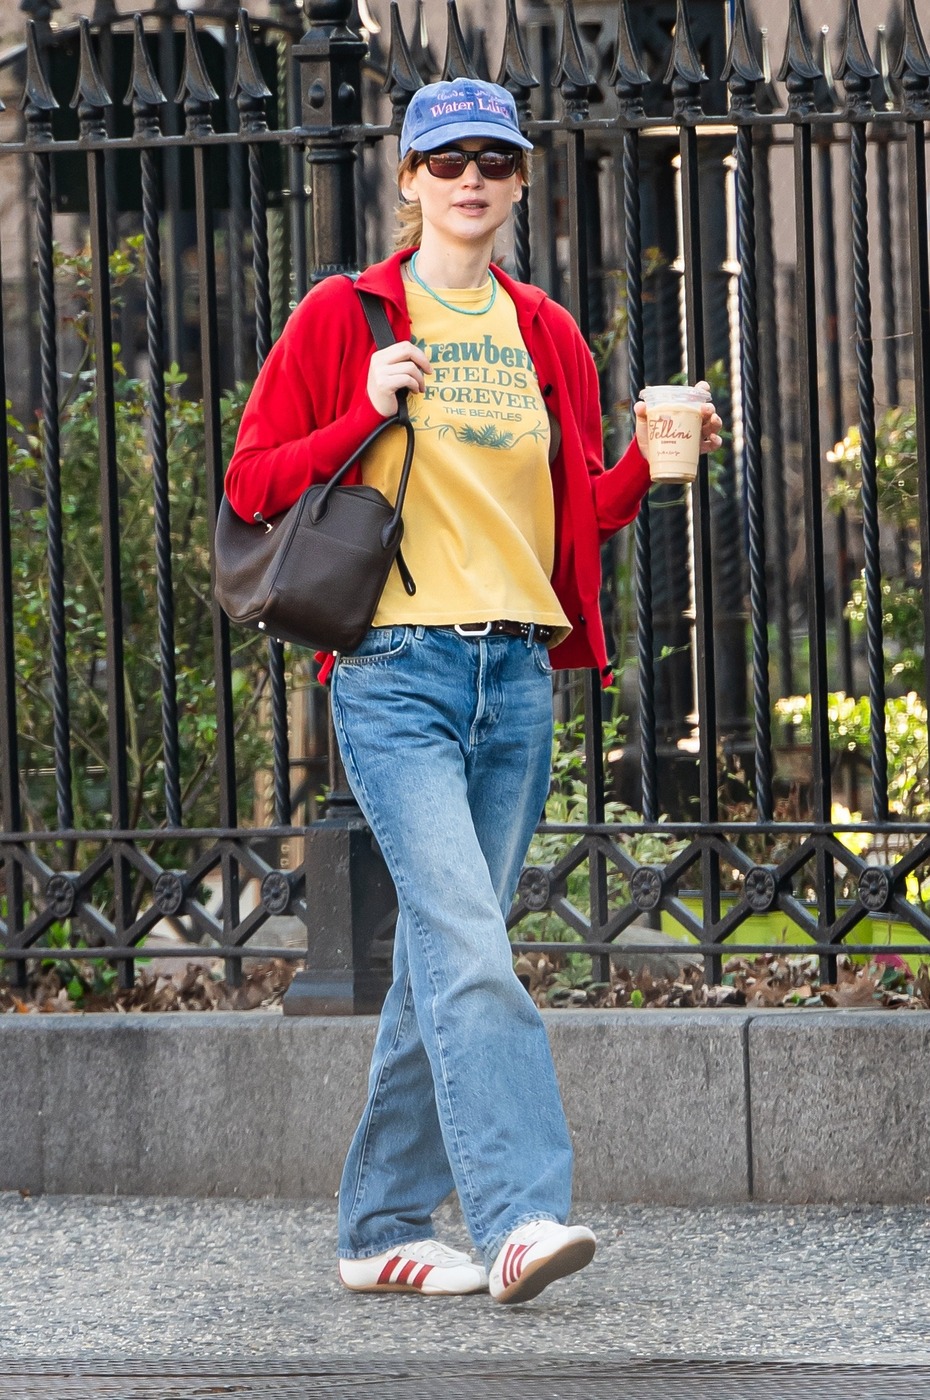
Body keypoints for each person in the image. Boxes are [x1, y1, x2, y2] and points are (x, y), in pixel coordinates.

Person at [226, 77, 722, 1304]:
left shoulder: (546, 333)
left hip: (516, 678)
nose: (470, 179)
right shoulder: (346, 315)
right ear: (408, 179)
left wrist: (646, 470)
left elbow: (571, 513)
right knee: (468, 943)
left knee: (445, 954)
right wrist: (360, 409)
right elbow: (251, 484)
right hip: (397, 673)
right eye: (445, 160)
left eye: (493, 160)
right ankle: (517, 1216)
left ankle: (381, 1223)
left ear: (517, 182)